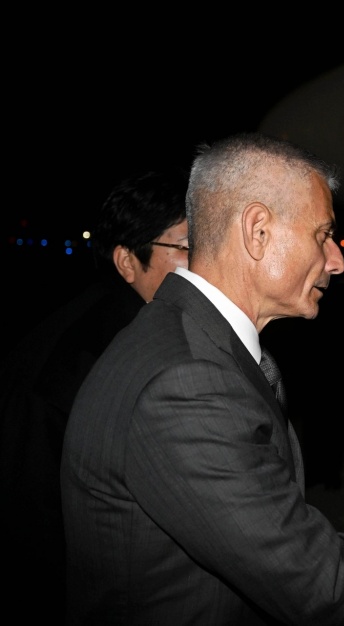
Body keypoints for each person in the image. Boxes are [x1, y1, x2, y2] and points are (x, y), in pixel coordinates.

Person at [60, 132, 344, 625]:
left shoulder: (186, 341)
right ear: (257, 231)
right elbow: (315, 581)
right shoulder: (187, 379)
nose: (337, 260)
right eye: (322, 235)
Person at [0, 169, 189, 623]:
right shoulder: (106, 350)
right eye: (187, 248)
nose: (208, 264)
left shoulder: (120, 322)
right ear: (127, 261)